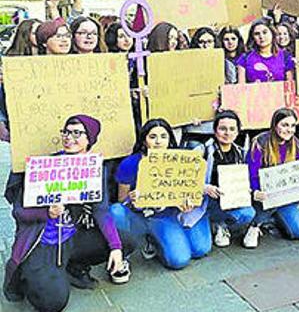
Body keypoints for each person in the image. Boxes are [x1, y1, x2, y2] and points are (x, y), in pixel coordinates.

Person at [3, 115, 133, 312]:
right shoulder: (44, 167)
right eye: (66, 132)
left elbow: (102, 212)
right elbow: (20, 212)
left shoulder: (94, 169)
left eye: (77, 133)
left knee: (126, 241)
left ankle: (72, 266)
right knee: (52, 302)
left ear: (90, 139)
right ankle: (32, 275)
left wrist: (115, 248)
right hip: (42, 242)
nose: (69, 137)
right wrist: (48, 213)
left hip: (73, 237)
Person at [110, 119, 212, 270]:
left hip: (166, 216)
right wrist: (130, 199)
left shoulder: (181, 161)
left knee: (197, 251)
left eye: (163, 136)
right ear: (144, 140)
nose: (158, 141)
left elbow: (188, 192)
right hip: (140, 215)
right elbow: (122, 200)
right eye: (153, 137)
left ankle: (158, 241)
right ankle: (126, 250)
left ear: (170, 139)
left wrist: (187, 204)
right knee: (116, 210)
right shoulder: (130, 163)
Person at [244, 108, 299, 247]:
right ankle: (255, 225)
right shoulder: (260, 143)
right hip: (265, 198)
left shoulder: (296, 144)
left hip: (286, 197)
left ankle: (274, 220)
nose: (289, 130)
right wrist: (255, 190)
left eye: (292, 126)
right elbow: (251, 172)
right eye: (285, 125)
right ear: (275, 125)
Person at [198, 111, 255, 248]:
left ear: (237, 132)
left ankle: (221, 225)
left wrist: (244, 189)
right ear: (215, 130)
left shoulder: (240, 152)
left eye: (232, 129)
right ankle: (211, 222)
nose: (227, 133)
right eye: (222, 129)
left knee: (248, 213)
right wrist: (204, 187)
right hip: (207, 201)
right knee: (200, 247)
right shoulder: (203, 150)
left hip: (230, 199)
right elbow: (187, 179)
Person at [236, 19, 294, 83]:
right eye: (257, 34)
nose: (261, 36)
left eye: (265, 32)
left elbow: (290, 87)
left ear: (272, 33)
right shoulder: (245, 58)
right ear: (253, 37)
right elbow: (241, 88)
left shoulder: (286, 57)